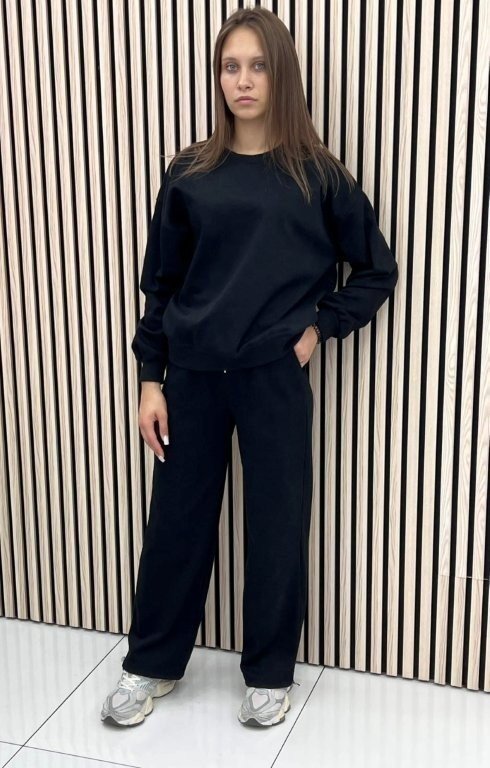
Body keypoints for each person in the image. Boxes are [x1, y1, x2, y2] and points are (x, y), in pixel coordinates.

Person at [101, 6, 398, 729]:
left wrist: (319, 328)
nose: (243, 80)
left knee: (275, 523)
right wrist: (150, 380)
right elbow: (161, 285)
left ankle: (269, 674)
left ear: (281, 75)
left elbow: (375, 270)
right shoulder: (190, 174)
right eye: (230, 66)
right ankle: (151, 663)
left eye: (257, 66)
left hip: (273, 377)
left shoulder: (318, 176)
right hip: (193, 377)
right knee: (177, 523)